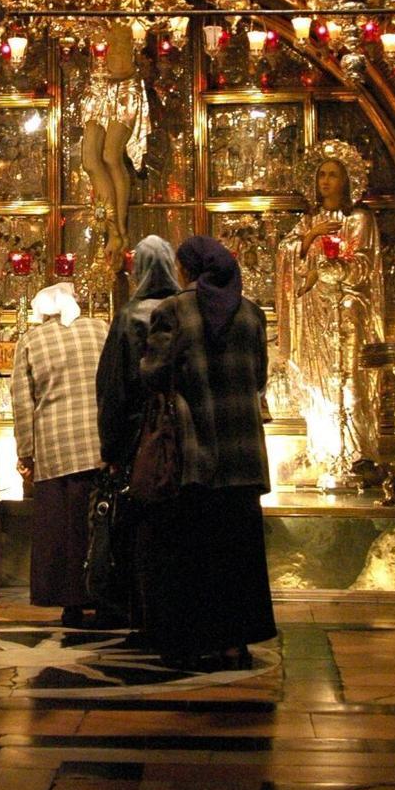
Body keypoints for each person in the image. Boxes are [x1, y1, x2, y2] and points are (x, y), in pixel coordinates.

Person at [136, 235, 277, 670]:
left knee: (192, 551)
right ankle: (235, 642)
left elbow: (153, 373)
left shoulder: (174, 311)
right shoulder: (251, 315)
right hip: (242, 456)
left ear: (189, 269)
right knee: (238, 554)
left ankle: (192, 640)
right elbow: (259, 377)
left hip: (195, 453)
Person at [274, 139, 384, 489]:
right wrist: (308, 238)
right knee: (317, 382)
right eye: (321, 174)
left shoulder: (358, 219)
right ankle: (324, 454)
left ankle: (355, 455)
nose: (325, 181)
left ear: (346, 180)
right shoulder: (308, 220)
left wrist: (333, 263)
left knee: (349, 381)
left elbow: (364, 267)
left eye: (333, 175)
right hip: (314, 314)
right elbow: (286, 256)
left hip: (347, 313)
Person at [11, 280, 109, 626]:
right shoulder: (100, 330)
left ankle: (72, 602)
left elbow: (23, 402)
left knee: (66, 530)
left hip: (55, 448)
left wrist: (26, 453)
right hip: (99, 443)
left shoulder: (31, 341)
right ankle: (108, 596)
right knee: (101, 526)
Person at [97, 233, 180, 474]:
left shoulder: (129, 317)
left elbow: (113, 385)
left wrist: (110, 449)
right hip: (183, 433)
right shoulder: (185, 308)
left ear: (139, 270)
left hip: (139, 435)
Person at [79, 20, 150, 255]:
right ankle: (113, 230)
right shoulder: (87, 7)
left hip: (124, 86)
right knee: (90, 160)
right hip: (98, 85)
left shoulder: (130, 7)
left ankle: (118, 229)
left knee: (111, 156)